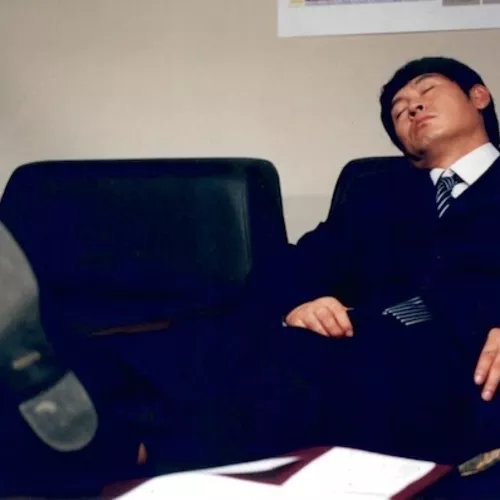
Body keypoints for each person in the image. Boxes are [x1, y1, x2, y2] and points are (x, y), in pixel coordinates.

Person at [2, 55, 500, 497]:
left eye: (426, 90)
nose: (411, 107)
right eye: (399, 109)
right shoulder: (379, 196)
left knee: (275, 377)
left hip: (461, 367)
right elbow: (291, 265)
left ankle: (94, 439)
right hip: (354, 340)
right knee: (198, 344)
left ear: (479, 96)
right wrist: (300, 301)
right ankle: (44, 376)